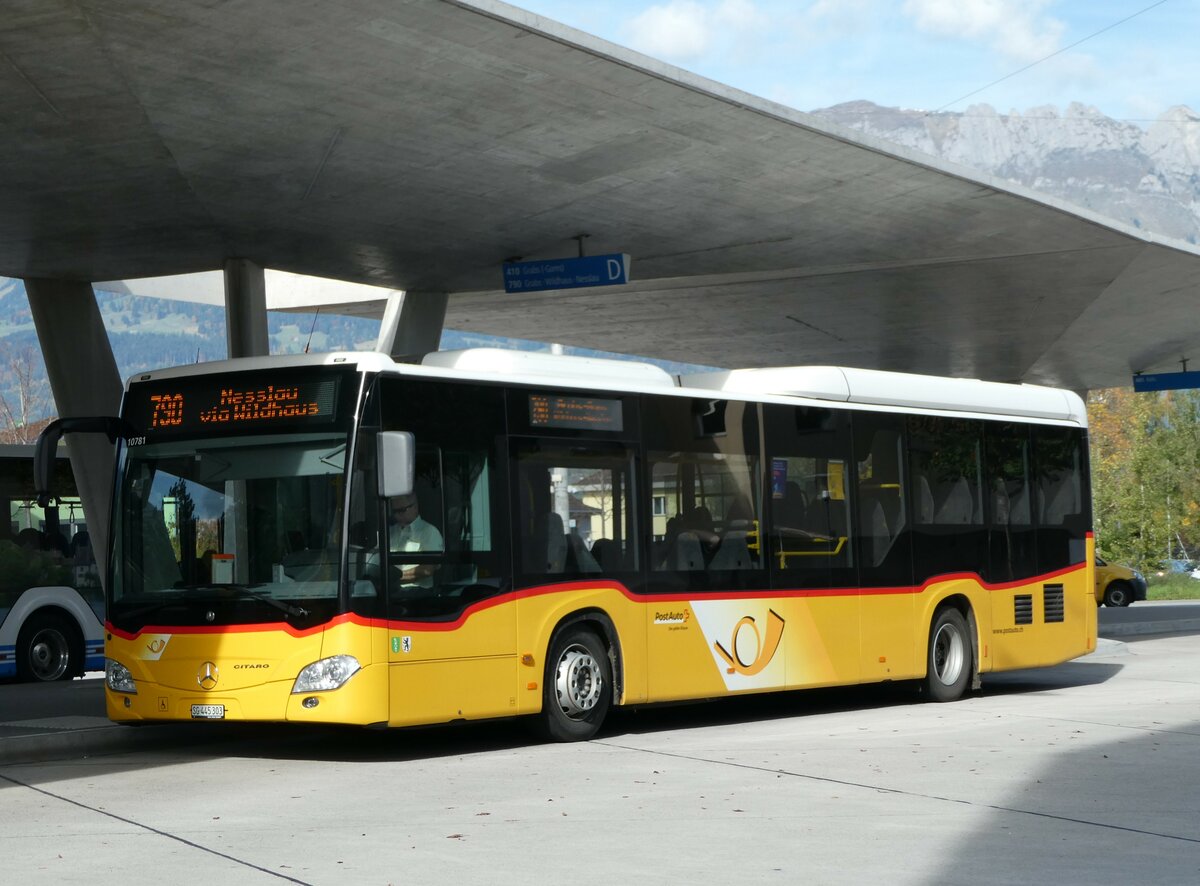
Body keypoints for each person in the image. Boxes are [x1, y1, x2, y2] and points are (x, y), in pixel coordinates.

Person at [388, 494, 443, 587]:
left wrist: (396, 578)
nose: (397, 516)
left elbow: (428, 569)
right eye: (394, 511)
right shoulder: (390, 531)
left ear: (415, 507)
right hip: (390, 592)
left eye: (401, 510)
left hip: (417, 594)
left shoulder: (429, 531)